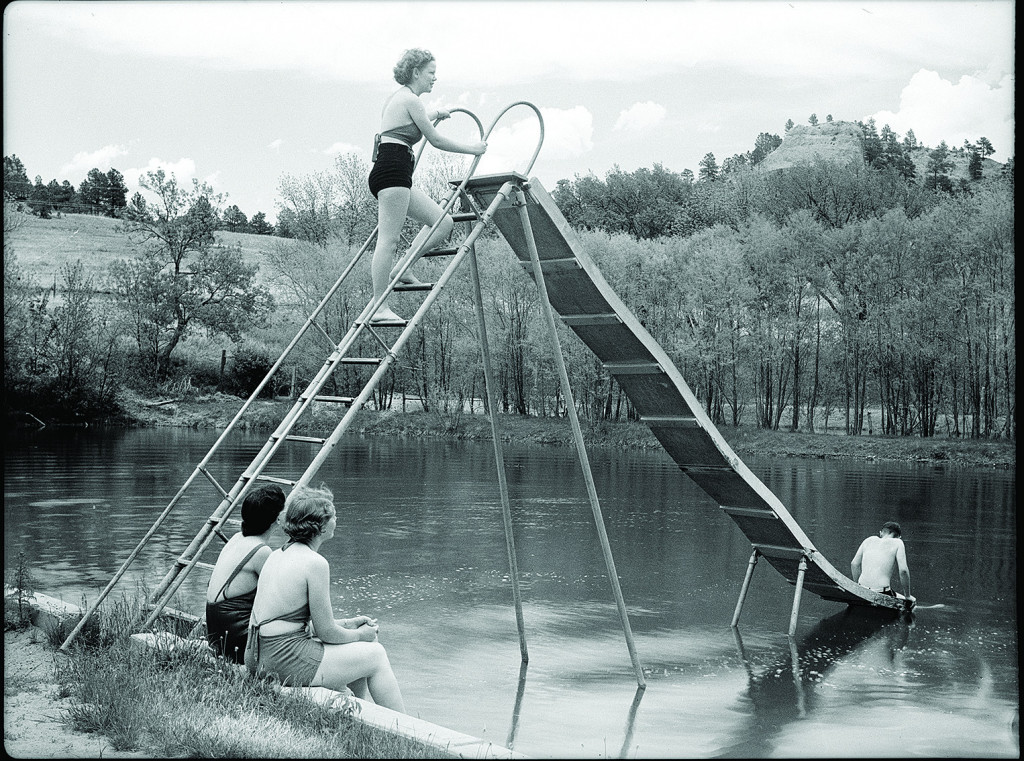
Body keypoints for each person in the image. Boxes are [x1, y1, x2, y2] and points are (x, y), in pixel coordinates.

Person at [244, 484, 405, 712]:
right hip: (281, 658)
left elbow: (287, 620)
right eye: (333, 515)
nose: (336, 519)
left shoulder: (276, 555)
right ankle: (406, 726)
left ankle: (358, 711)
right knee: (376, 654)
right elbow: (326, 633)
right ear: (319, 526)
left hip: (255, 655)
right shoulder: (315, 563)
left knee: (360, 650)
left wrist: (348, 624)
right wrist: (361, 633)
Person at [366, 47, 487, 325]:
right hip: (392, 172)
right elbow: (435, 140)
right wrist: (473, 149)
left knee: (442, 223)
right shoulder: (410, 100)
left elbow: (412, 120)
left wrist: (436, 112)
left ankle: (404, 267)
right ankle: (379, 306)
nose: (435, 78)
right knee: (389, 239)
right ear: (416, 72)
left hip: (396, 172)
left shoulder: (403, 100)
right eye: (431, 73)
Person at [205, 484, 286, 663]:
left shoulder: (237, 538)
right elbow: (282, 601)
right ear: (278, 518)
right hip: (235, 640)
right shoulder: (261, 551)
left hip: (217, 633)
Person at [851, 521, 915, 607]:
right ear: (899, 537)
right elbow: (903, 571)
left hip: (862, 588)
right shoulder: (898, 543)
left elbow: (854, 564)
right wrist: (907, 596)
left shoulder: (868, 540)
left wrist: (859, 589)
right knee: (912, 603)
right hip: (882, 592)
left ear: (881, 533)